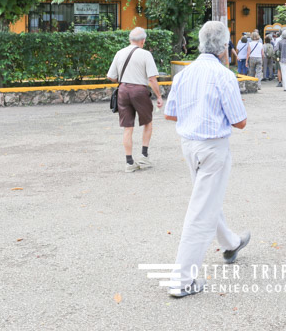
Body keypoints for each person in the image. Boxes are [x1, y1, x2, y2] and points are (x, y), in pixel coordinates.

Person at [163, 21, 251, 298]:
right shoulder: (223, 76)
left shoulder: (183, 75)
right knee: (201, 211)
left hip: (189, 145)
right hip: (213, 148)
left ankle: (230, 243)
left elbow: (170, 114)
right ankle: (182, 280)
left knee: (206, 200)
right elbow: (240, 122)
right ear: (224, 47)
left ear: (200, 43)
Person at [107, 27, 164, 173]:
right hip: (139, 90)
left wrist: (124, 80)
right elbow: (151, 78)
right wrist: (158, 96)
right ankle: (144, 157)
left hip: (123, 91)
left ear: (129, 39)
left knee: (128, 127)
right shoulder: (145, 54)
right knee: (147, 122)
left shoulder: (119, 53)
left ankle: (129, 162)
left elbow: (111, 76)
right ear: (143, 41)